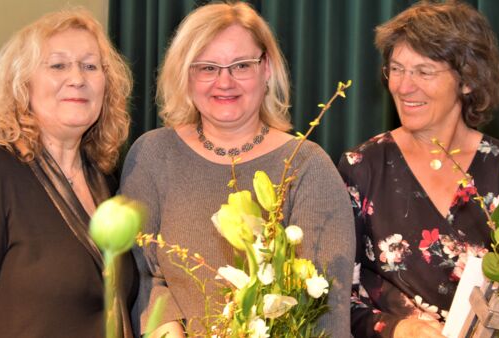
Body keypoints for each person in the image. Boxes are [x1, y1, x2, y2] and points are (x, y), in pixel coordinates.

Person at [120, 2, 355, 337]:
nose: (224, 82)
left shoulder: (308, 166)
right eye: (207, 68)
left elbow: (327, 310)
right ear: (185, 75)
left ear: (267, 68)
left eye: (241, 65)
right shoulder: (152, 155)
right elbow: (141, 278)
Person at [338, 1, 499, 338]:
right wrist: (399, 329)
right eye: (397, 68)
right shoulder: (361, 168)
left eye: (424, 71)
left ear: (467, 81)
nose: (404, 86)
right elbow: (333, 297)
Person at [0, 8, 136, 338]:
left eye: (90, 66)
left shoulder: (105, 182)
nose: (77, 78)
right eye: (58, 65)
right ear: (22, 84)